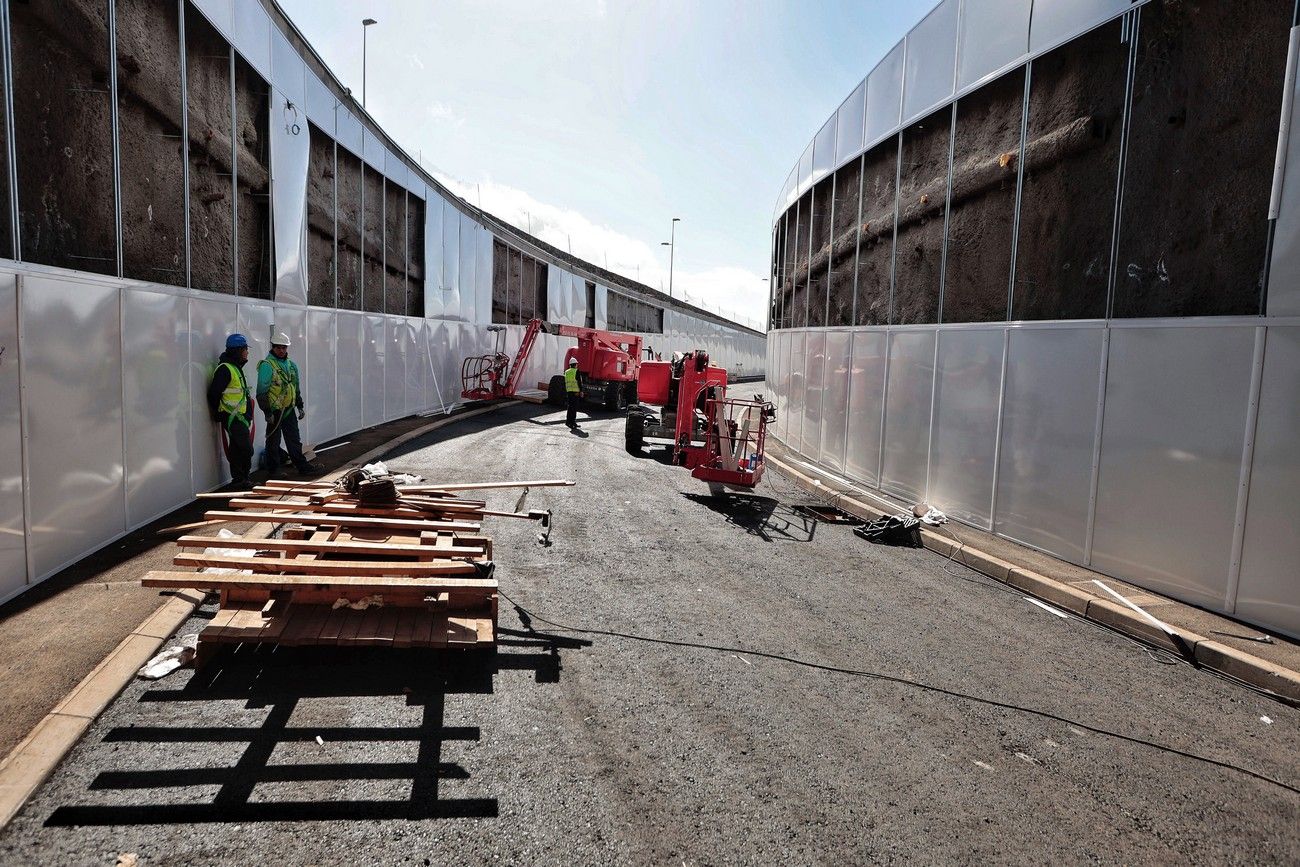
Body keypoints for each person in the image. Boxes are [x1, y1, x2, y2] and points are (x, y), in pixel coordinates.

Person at [256, 332, 320, 475]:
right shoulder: (267, 366)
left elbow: (295, 387)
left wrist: (300, 405)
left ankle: (302, 467)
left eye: (284, 347)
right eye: (278, 348)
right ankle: (273, 471)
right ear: (273, 347)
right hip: (275, 411)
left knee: (294, 440)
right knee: (273, 442)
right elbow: (261, 392)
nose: (281, 350)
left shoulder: (291, 365)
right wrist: (267, 412)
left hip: (289, 409)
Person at [207, 333, 254, 485]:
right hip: (233, 416)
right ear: (238, 350)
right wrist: (218, 412)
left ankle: (239, 479)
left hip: (239, 416)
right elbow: (214, 393)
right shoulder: (226, 369)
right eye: (245, 349)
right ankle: (242, 479)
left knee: (236, 448)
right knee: (246, 449)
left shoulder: (234, 367)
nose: (247, 352)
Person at [564, 357, 581, 428]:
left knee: (570, 407)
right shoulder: (576, 371)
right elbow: (579, 382)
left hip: (569, 391)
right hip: (575, 392)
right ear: (575, 364)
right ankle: (573, 422)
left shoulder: (566, 372)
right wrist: (581, 391)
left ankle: (568, 422)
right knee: (574, 408)